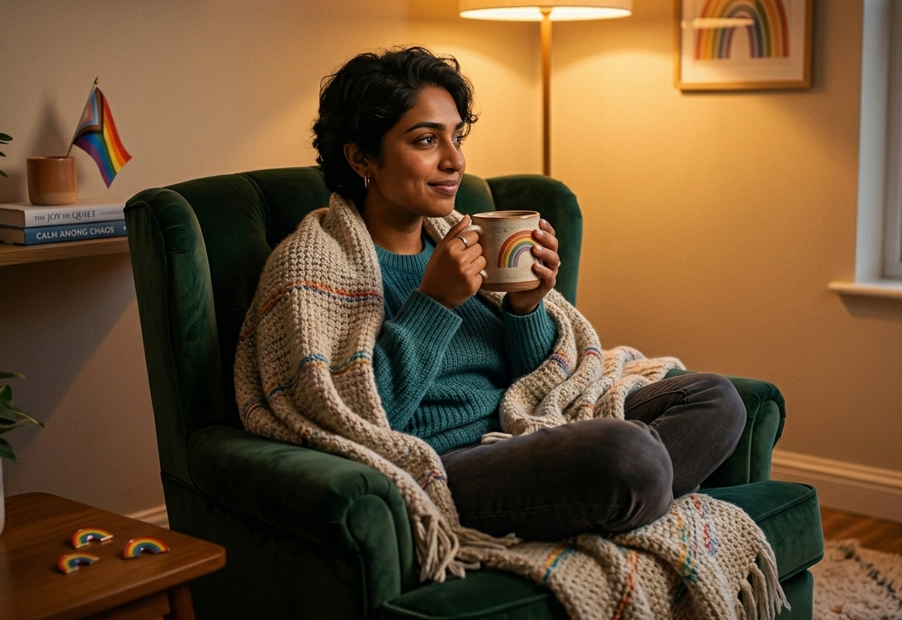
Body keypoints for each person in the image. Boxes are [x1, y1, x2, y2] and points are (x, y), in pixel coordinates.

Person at [303, 46, 746, 542]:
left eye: (457, 136)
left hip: (529, 425)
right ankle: (623, 495)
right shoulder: (319, 265)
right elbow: (353, 416)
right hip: (448, 461)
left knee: (714, 399)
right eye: (427, 140)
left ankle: (614, 501)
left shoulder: (459, 238)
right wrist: (432, 305)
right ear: (362, 156)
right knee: (628, 455)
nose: (455, 161)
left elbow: (535, 382)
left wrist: (526, 305)